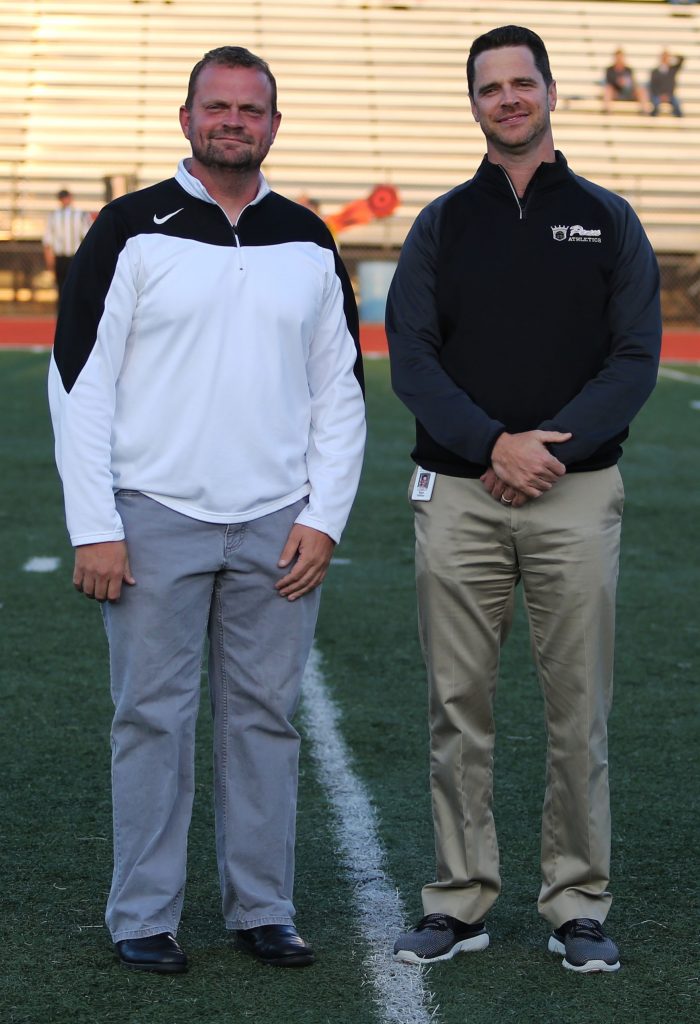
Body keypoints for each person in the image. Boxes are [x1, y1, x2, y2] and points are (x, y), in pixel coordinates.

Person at [48, 45, 366, 974]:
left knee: (266, 717)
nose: (235, 120)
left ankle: (262, 906)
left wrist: (325, 516)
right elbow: (80, 382)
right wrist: (94, 522)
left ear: (274, 122)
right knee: (151, 718)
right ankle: (143, 915)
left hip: (278, 521)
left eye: (252, 108)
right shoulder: (128, 227)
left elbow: (339, 390)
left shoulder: (307, 236)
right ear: (187, 120)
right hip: (154, 516)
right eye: (217, 106)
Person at [386, 25, 661, 974]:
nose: (508, 98)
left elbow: (634, 360)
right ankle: (459, 898)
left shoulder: (607, 217)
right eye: (489, 87)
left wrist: (548, 451)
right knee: (458, 705)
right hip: (459, 496)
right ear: (473, 104)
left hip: (575, 497)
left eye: (521, 83)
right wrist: (489, 445)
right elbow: (411, 359)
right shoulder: (441, 223)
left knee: (576, 708)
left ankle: (577, 901)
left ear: (550, 92)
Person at [42, 189, 91, 306]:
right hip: (60, 257)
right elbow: (48, 239)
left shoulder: (81, 215)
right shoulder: (54, 216)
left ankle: (74, 311)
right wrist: (49, 258)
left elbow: (87, 237)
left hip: (74, 256)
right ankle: (63, 313)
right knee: (61, 287)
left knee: (76, 286)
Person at [603, 48, 648, 113]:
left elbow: (633, 83)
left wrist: (626, 83)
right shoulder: (610, 70)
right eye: (618, 58)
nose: (619, 59)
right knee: (608, 89)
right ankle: (607, 110)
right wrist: (617, 82)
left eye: (620, 57)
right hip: (616, 93)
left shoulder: (628, 70)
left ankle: (645, 110)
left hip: (628, 92)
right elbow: (609, 82)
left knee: (641, 90)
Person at [649, 50, 684, 117]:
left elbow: (682, 59)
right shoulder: (655, 71)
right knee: (654, 105)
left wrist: (674, 56)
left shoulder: (672, 70)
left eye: (667, 57)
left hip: (669, 95)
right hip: (658, 95)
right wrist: (660, 95)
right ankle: (652, 120)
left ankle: (679, 121)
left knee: (677, 105)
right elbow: (653, 86)